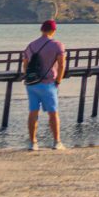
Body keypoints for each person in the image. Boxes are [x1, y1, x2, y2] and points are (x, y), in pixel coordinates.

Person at [23, 19, 67, 151]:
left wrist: (30, 78)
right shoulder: (57, 45)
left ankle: (33, 143)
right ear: (54, 30)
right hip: (48, 83)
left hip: (32, 84)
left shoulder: (31, 45)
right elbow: (61, 64)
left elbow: (25, 64)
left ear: (42, 29)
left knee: (33, 112)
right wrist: (58, 80)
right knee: (53, 113)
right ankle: (57, 142)